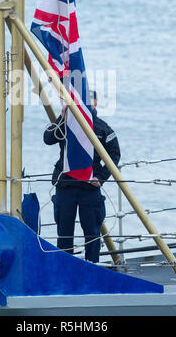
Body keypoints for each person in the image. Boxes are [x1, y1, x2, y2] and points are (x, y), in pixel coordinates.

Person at [43, 90, 121, 263]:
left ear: (95, 104)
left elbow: (115, 155)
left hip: (89, 186)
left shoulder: (102, 128)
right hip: (66, 184)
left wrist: (100, 178)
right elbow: (47, 139)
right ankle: (65, 267)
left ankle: (92, 266)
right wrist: (61, 118)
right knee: (64, 234)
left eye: (89, 100)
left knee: (92, 234)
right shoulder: (66, 123)